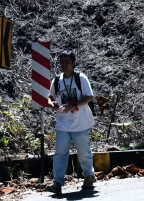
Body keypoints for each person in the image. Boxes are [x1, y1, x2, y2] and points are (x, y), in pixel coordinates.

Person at [47, 49, 95, 193]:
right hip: (63, 123)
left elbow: (89, 97)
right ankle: (57, 182)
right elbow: (49, 96)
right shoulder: (57, 80)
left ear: (73, 63)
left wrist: (73, 105)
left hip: (80, 123)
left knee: (84, 152)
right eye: (62, 62)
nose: (64, 64)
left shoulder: (81, 78)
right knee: (60, 153)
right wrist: (52, 104)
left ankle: (88, 176)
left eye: (67, 62)